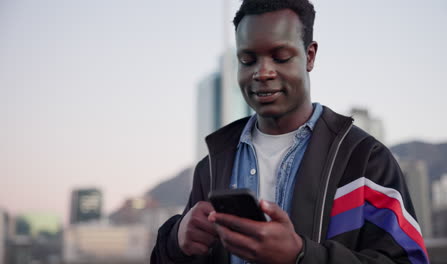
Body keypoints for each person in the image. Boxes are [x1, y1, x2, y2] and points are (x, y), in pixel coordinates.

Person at [151, 0, 429, 263]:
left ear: (309, 56)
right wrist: (176, 242)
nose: (263, 72)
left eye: (280, 57)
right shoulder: (212, 167)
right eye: (248, 60)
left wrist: (300, 255)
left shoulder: (366, 160)